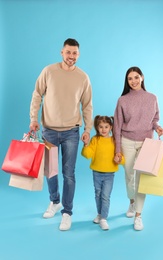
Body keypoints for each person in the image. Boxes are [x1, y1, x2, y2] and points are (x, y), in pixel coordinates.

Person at [29, 38, 93, 231]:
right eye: (68, 52)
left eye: (74, 53)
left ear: (78, 55)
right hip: (49, 130)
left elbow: (87, 105)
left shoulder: (83, 77)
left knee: (69, 174)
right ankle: (54, 201)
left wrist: (88, 129)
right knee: (51, 172)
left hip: (71, 132)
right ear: (61, 52)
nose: (71, 56)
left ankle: (67, 212)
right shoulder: (48, 71)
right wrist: (33, 118)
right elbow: (37, 94)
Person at [113, 66, 163, 231]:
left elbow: (154, 118)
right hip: (127, 141)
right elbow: (117, 126)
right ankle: (132, 202)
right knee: (130, 177)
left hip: (146, 143)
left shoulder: (152, 98)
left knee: (142, 179)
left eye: (136, 77)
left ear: (142, 77)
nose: (133, 81)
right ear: (127, 81)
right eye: (130, 79)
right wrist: (117, 149)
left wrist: (157, 127)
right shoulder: (123, 100)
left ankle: (138, 215)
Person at [81, 115, 125, 230]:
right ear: (97, 127)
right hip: (96, 173)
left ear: (111, 127)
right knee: (98, 194)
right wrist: (86, 144)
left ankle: (104, 218)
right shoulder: (95, 140)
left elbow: (122, 158)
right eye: (101, 127)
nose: (103, 129)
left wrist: (119, 159)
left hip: (109, 174)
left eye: (106, 127)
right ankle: (100, 214)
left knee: (105, 196)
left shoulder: (115, 141)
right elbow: (87, 154)